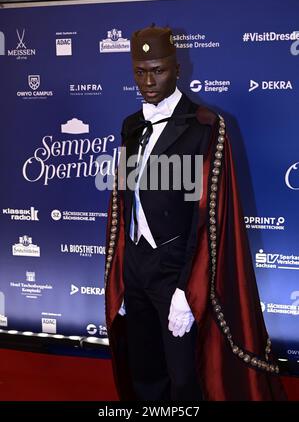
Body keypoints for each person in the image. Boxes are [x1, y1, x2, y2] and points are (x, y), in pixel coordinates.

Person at [105, 25, 286, 401]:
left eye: (158, 70)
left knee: (185, 379)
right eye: (140, 71)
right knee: (145, 373)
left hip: (177, 269)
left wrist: (187, 290)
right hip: (137, 266)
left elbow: (209, 217)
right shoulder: (131, 126)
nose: (149, 80)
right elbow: (126, 203)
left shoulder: (203, 126)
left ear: (177, 68)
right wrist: (123, 272)